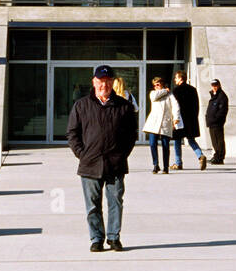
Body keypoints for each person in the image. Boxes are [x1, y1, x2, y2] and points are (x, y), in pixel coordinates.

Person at [66, 64, 138, 252]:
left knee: (115, 202)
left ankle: (114, 237)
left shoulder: (125, 106)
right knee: (92, 206)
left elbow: (131, 134)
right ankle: (96, 238)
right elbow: (72, 133)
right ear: (94, 82)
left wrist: (122, 154)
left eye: (107, 82)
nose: (103, 85)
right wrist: (81, 154)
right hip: (90, 164)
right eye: (100, 81)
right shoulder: (81, 105)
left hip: (116, 164)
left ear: (113, 83)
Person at [142, 76, 179, 175]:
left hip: (165, 122)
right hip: (154, 123)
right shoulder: (153, 93)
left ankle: (165, 167)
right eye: (155, 85)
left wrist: (176, 117)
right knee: (152, 143)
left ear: (162, 83)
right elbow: (154, 97)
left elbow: (175, 105)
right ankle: (155, 164)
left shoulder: (170, 94)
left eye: (158, 84)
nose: (156, 86)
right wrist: (164, 91)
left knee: (165, 145)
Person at [171, 70, 206, 170]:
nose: (175, 80)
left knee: (177, 141)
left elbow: (174, 106)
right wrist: (194, 117)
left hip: (179, 120)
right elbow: (196, 106)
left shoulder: (176, 91)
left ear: (181, 78)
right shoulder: (193, 90)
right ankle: (200, 155)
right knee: (191, 140)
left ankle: (178, 163)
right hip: (191, 120)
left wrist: (174, 119)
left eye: (176, 78)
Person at [205, 78, 229, 164]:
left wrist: (216, 119)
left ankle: (220, 158)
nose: (214, 87)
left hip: (217, 123)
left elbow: (223, 111)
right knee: (214, 141)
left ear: (219, 85)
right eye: (213, 85)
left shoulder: (222, 96)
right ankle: (216, 156)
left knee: (219, 141)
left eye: (216, 85)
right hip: (212, 122)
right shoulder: (214, 95)